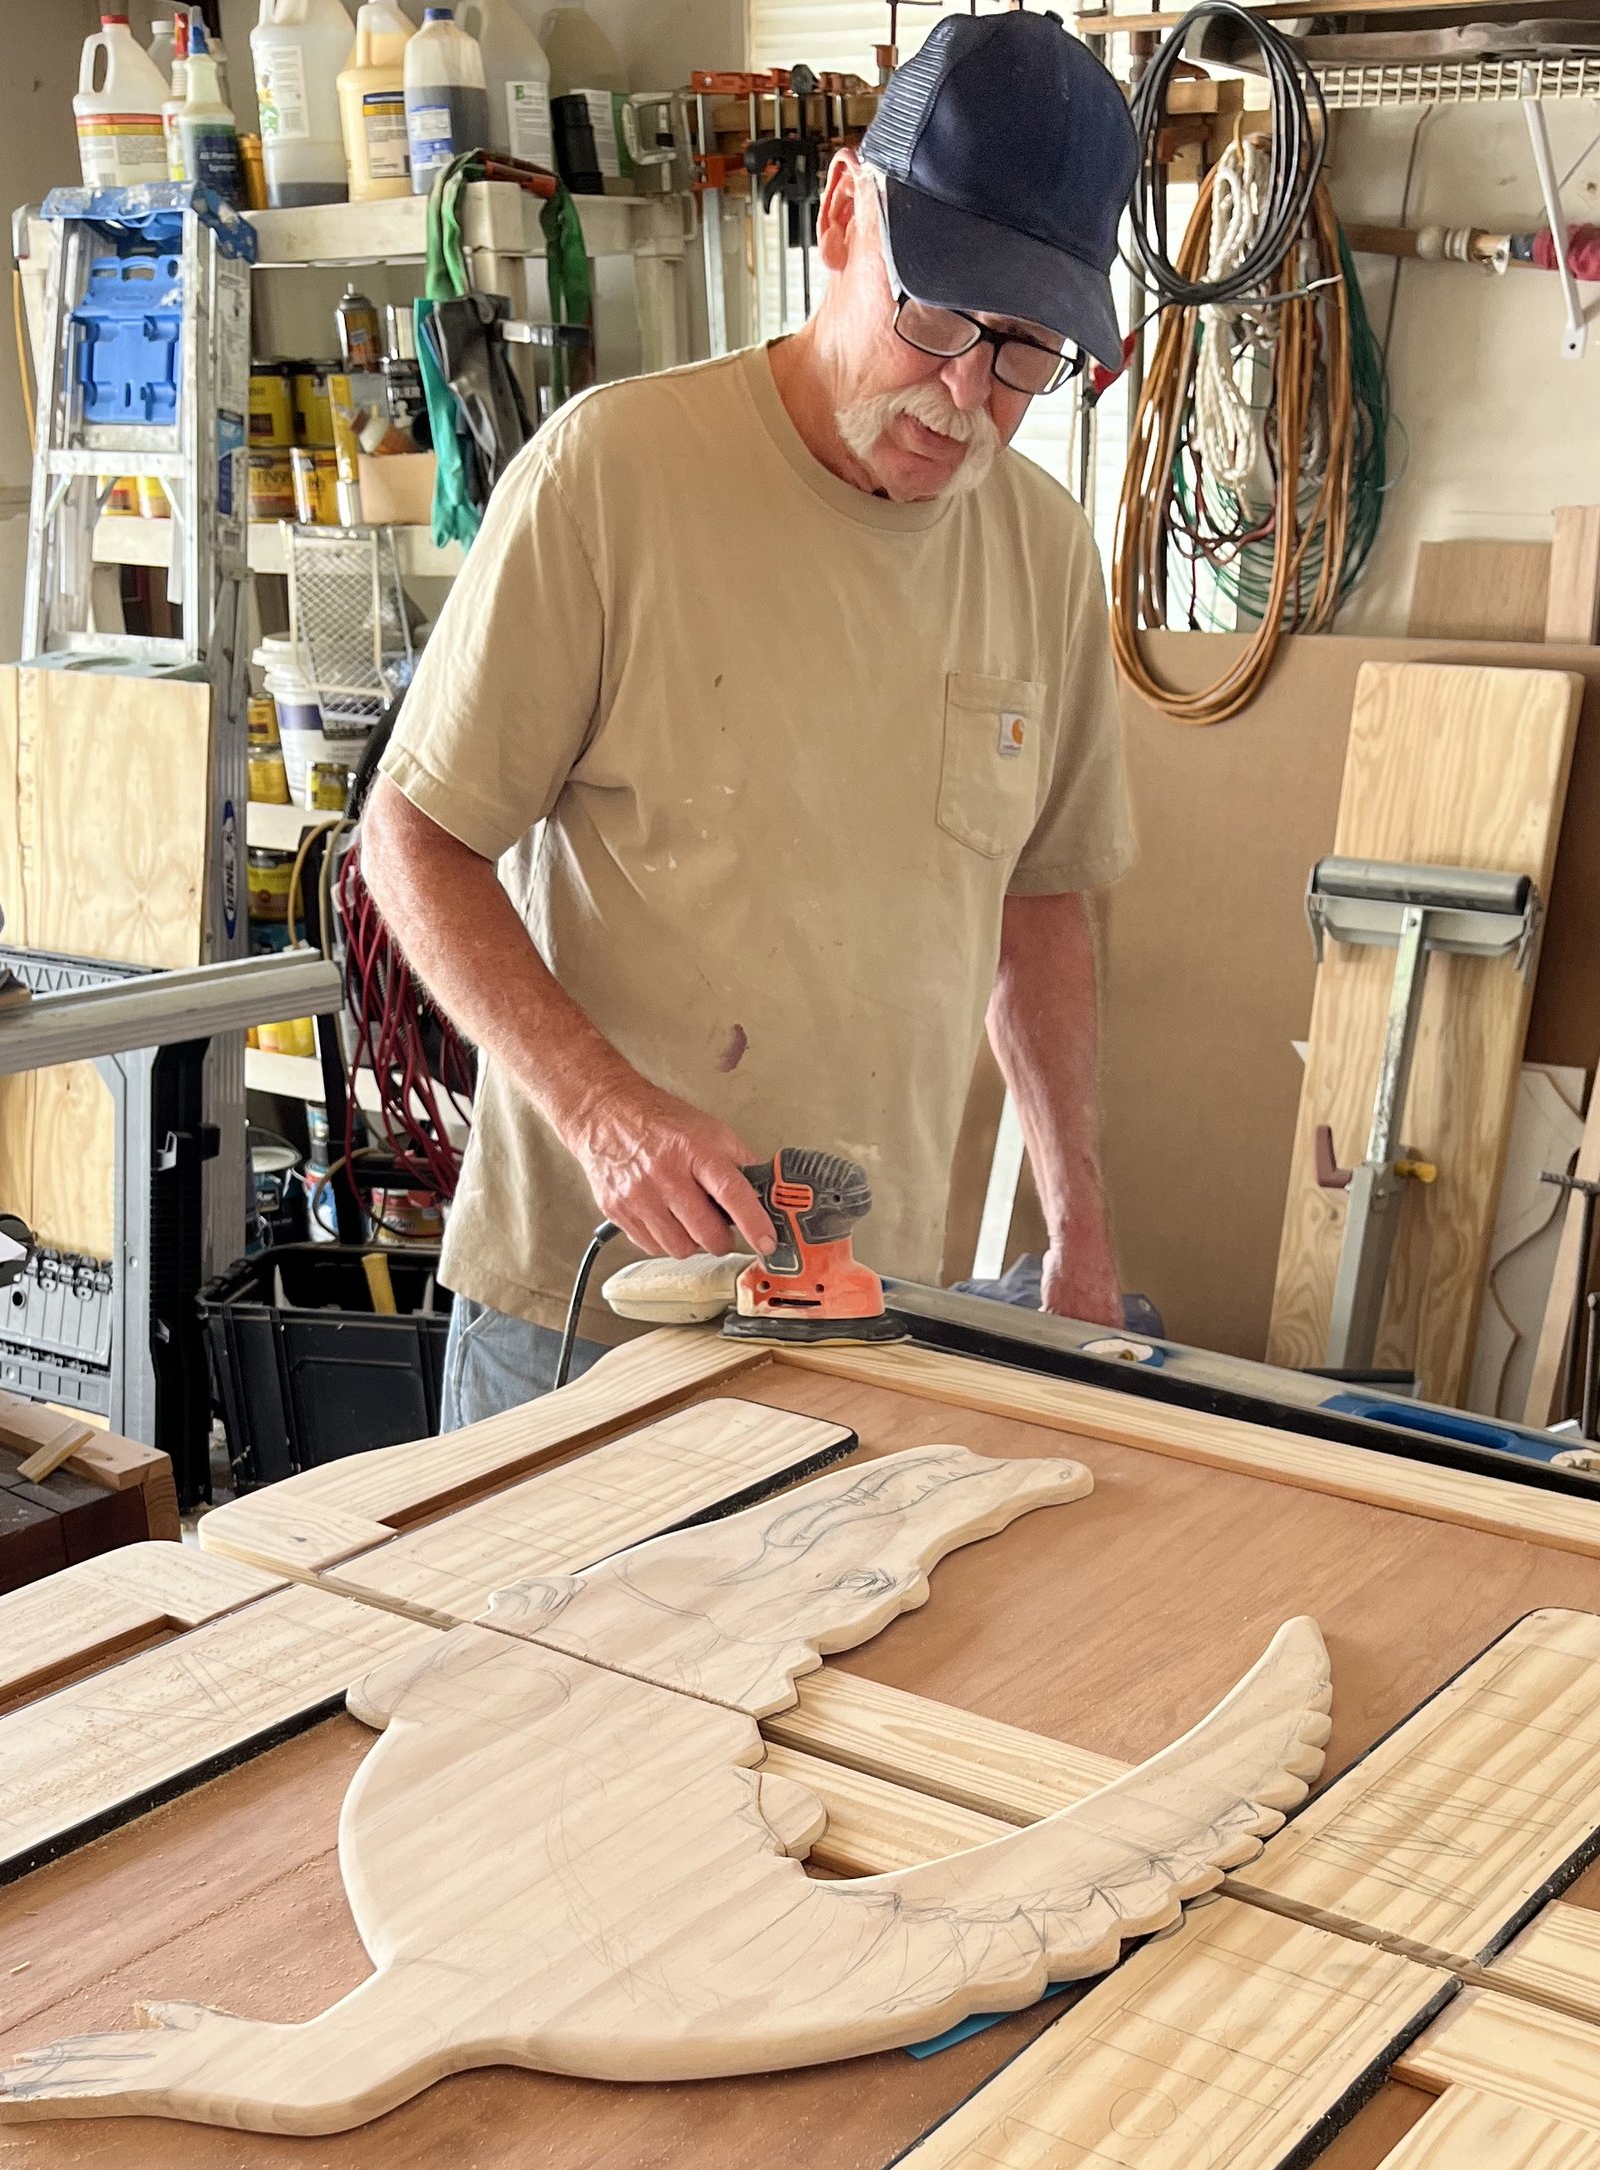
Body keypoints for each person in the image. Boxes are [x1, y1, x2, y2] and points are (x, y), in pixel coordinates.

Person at [357, 9, 1140, 1426]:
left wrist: (1078, 1223)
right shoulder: (613, 481)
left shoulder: (1038, 552)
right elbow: (409, 839)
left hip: (860, 1317)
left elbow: (1042, 901)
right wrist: (602, 1111)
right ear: (843, 211)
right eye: (939, 314)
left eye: (1024, 353)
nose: (965, 392)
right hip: (590, 1317)